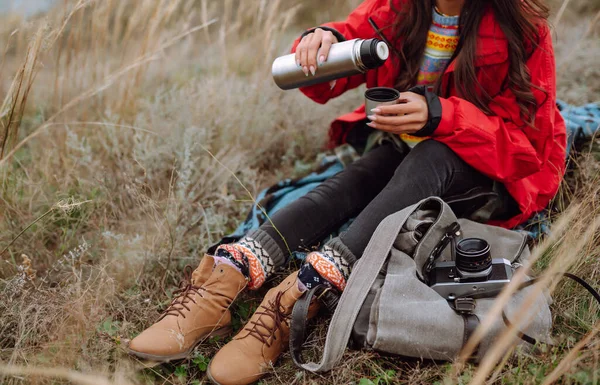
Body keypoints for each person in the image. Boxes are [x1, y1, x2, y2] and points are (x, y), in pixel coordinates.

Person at [127, 0, 566, 384]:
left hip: (496, 173)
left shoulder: (523, 28)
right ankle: (229, 277)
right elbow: (346, 44)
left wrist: (441, 117)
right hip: (408, 149)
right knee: (357, 178)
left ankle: (301, 294)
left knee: (430, 158)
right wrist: (324, 41)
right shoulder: (400, 8)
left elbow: (527, 149)